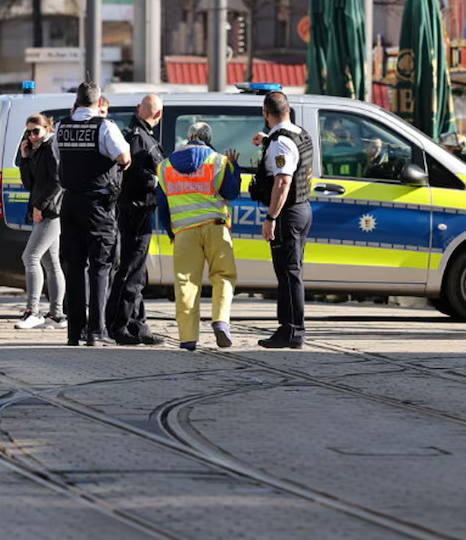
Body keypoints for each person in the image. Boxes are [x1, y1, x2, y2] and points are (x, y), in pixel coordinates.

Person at [55, 81, 131, 346]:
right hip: (97, 205)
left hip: (70, 203)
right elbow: (123, 157)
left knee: (73, 267)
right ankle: (96, 332)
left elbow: (58, 158)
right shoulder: (105, 126)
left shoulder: (61, 126)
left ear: (76, 101)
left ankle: (74, 332)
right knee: (100, 266)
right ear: (99, 103)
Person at [158, 121, 239, 350]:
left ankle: (187, 337)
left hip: (184, 232)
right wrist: (236, 168)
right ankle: (221, 321)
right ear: (208, 139)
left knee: (186, 283)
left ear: (188, 138)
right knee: (223, 275)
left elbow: (163, 207)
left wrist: (171, 232)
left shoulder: (165, 167)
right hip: (215, 227)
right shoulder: (218, 161)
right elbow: (230, 192)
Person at [252, 90, 315, 349]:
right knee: (292, 271)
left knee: (288, 273)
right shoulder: (299, 134)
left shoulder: (281, 143)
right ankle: (289, 328)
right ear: (287, 111)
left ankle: (292, 330)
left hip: (287, 212)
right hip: (302, 208)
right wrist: (267, 140)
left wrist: (271, 217)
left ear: (267, 113)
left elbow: (283, 181)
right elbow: (290, 155)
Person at [107, 94, 166, 345]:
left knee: (137, 272)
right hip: (138, 210)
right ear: (159, 115)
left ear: (137, 109)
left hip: (128, 209)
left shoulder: (128, 134)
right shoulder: (145, 140)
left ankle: (138, 325)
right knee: (130, 271)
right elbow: (154, 176)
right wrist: (156, 182)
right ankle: (118, 325)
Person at [14, 114, 65, 330]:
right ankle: (57, 315)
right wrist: (25, 158)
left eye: (36, 131)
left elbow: (57, 180)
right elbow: (29, 183)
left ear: (47, 128)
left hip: (51, 212)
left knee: (30, 256)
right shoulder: (37, 150)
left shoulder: (52, 146)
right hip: (44, 210)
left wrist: (40, 206)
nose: (33, 136)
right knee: (50, 263)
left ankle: (33, 311)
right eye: (29, 132)